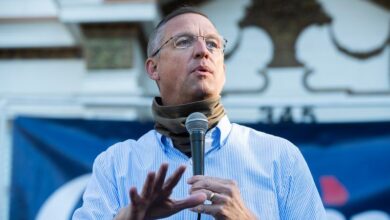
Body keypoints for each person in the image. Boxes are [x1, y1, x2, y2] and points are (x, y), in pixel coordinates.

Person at [73, 7, 326, 220]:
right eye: (183, 41)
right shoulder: (116, 164)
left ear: (223, 70)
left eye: (213, 44)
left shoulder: (280, 157)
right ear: (153, 68)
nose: (202, 51)